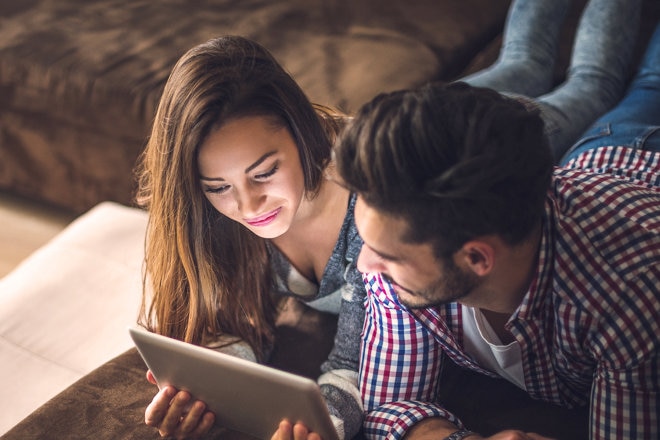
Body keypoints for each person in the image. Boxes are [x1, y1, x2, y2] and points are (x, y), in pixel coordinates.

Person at [332, 17, 660, 440]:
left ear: (478, 258)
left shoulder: (627, 299)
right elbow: (386, 407)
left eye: (387, 256)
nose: (363, 264)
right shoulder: (400, 251)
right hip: (600, 150)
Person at [134, 36, 365, 440]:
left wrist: (323, 427)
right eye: (219, 187)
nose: (249, 207)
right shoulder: (213, 214)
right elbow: (233, 320)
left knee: (513, 76)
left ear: (300, 131)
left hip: (481, 128)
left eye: (263, 173)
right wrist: (208, 390)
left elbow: (361, 363)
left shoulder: (373, 209)